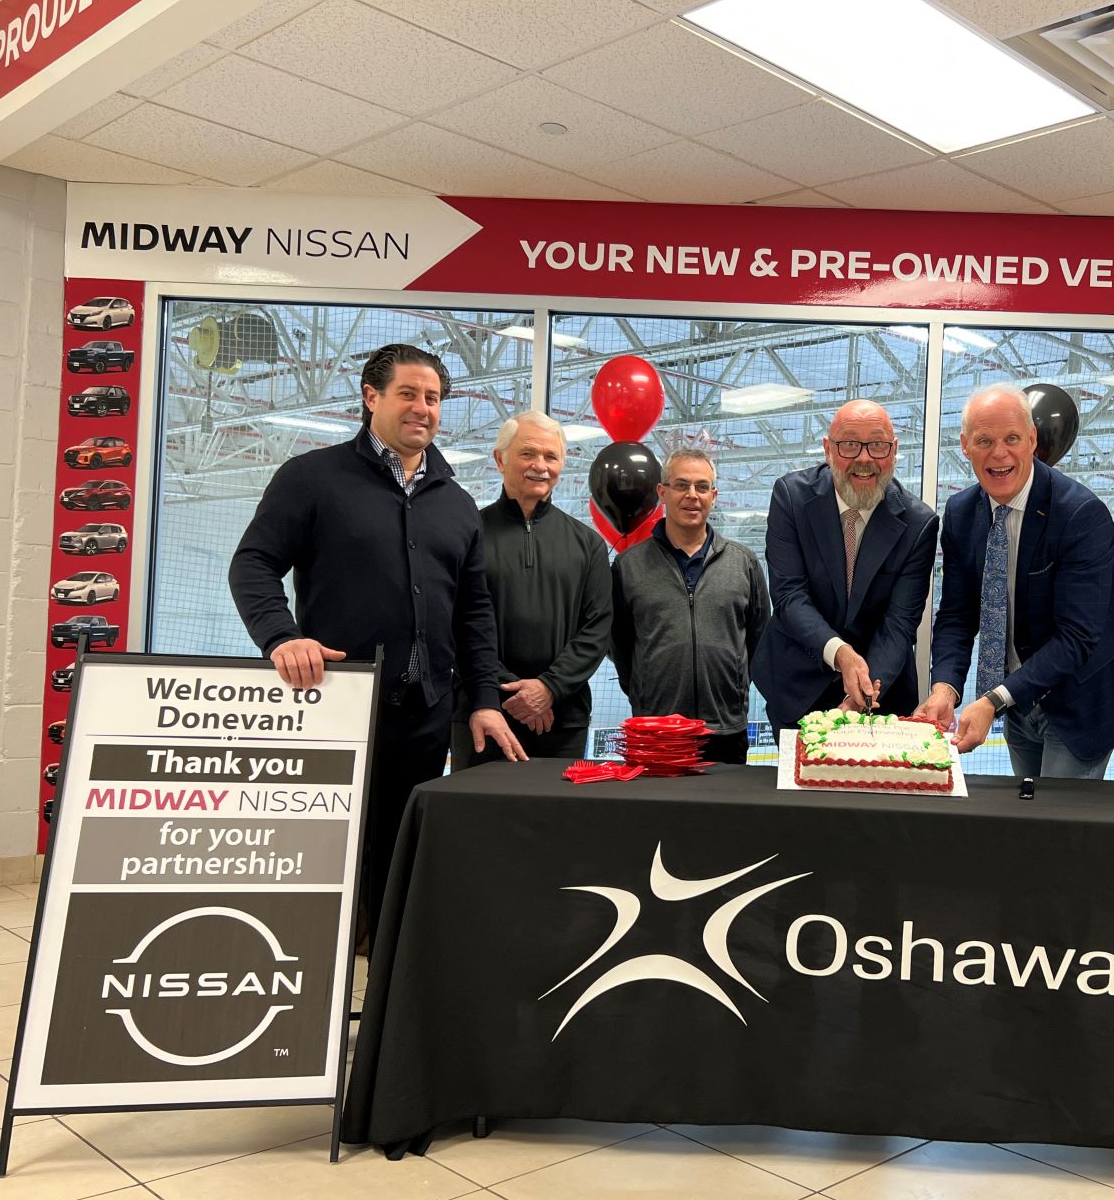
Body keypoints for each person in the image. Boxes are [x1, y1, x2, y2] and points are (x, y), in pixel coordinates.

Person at [230, 344, 525, 946]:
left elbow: (474, 613)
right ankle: (310, 965)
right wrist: (281, 637)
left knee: (396, 849)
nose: (423, 408)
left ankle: (382, 968)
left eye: (433, 398)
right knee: (327, 850)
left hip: (423, 714)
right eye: (408, 394)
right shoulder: (313, 479)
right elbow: (253, 564)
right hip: (334, 705)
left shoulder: (457, 504)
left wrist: (486, 698)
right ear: (371, 398)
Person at [916, 383, 1114, 777]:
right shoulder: (962, 512)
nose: (999, 453)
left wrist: (993, 700)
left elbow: (1077, 637)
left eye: (1012, 438)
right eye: (984, 441)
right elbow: (957, 616)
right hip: (1018, 704)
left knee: (1056, 833)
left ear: (1032, 439)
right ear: (965, 446)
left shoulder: (1080, 514)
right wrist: (944, 687)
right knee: (1027, 822)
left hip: (1078, 703)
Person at [752, 400, 938, 734]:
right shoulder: (791, 498)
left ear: (894, 451)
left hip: (880, 698)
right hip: (796, 686)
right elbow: (789, 595)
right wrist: (841, 654)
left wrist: (863, 691)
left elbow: (899, 624)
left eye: (878, 445)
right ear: (828, 449)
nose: (864, 459)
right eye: (849, 444)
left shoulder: (918, 523)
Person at [453, 411, 612, 767]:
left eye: (551, 456)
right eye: (528, 454)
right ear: (500, 459)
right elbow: (452, 626)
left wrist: (549, 689)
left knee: (557, 821)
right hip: (483, 711)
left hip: (562, 719)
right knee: (477, 820)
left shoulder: (587, 544)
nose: (540, 465)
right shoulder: (467, 535)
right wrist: (509, 690)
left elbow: (597, 630)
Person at [612, 449, 769, 764]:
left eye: (701, 487)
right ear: (663, 492)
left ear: (714, 495)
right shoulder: (629, 566)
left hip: (725, 729)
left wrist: (735, 688)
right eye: (681, 485)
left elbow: (759, 638)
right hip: (656, 730)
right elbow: (620, 643)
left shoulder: (743, 562)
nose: (692, 495)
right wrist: (645, 695)